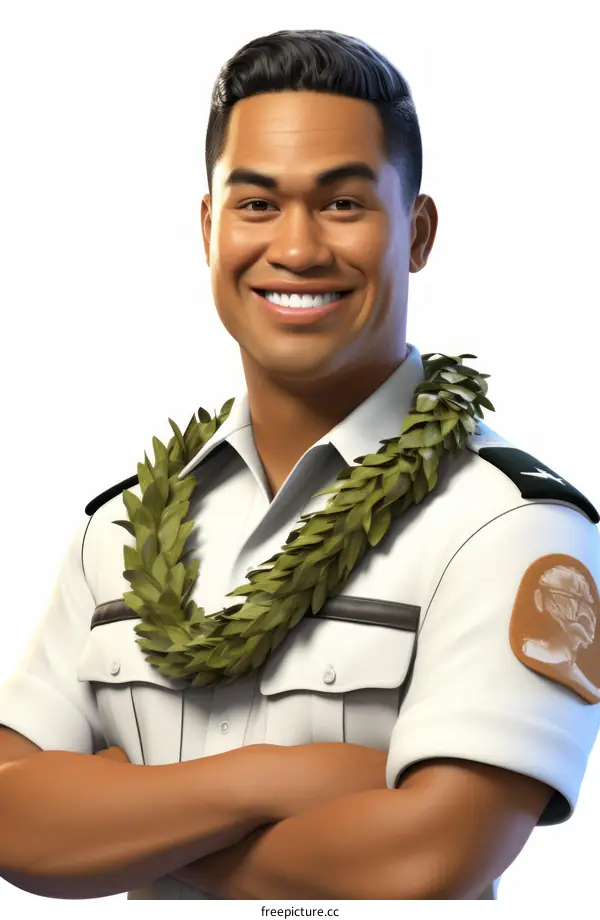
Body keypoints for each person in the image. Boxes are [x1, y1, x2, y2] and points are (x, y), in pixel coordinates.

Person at [0, 28, 599, 902]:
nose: (298, 248)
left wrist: (116, 816)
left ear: (418, 233)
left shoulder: (509, 527)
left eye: (343, 203)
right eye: (256, 204)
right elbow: (10, 818)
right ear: (209, 229)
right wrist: (273, 780)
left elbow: (423, 861)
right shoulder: (122, 530)